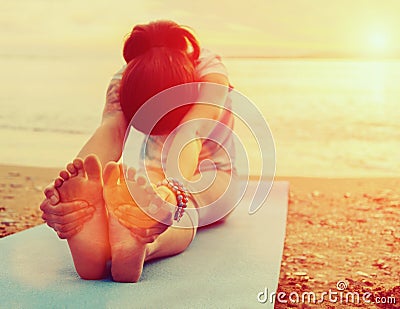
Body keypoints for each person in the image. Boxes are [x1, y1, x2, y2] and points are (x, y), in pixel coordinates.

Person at [40, 20, 239, 283]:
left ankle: (142, 243)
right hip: (148, 178)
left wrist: (171, 196)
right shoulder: (125, 79)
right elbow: (112, 133)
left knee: (179, 205)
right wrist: (70, 196)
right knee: (125, 199)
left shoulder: (210, 74)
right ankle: (98, 246)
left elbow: (191, 132)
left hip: (211, 173)